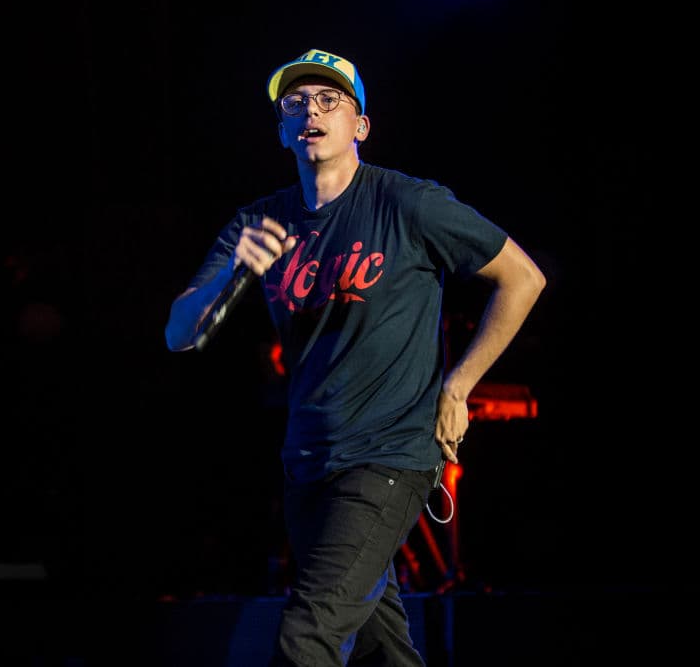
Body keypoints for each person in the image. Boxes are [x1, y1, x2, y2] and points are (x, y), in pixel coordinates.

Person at [164, 48, 546, 666]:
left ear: (359, 125)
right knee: (380, 647)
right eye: (295, 104)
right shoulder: (259, 222)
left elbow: (523, 278)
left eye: (328, 100)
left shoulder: (405, 202)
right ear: (282, 130)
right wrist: (230, 273)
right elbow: (179, 334)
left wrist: (457, 387)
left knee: (307, 636)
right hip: (308, 465)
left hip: (389, 455)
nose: (309, 111)